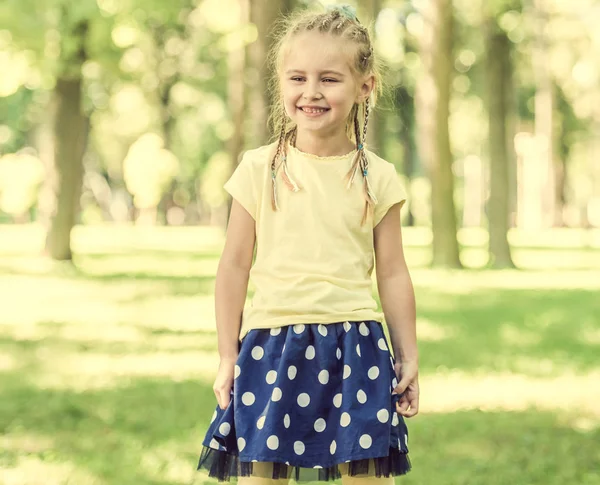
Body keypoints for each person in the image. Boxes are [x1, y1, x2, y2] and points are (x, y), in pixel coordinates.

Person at [197, 4, 419, 484]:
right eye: (297, 78)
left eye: (329, 79)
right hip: (272, 346)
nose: (311, 92)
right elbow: (234, 266)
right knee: (264, 476)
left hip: (356, 346)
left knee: (365, 475)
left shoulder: (377, 177)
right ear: (281, 83)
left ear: (365, 86)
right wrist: (226, 355)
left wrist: (408, 355)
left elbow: (394, 272)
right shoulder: (259, 170)